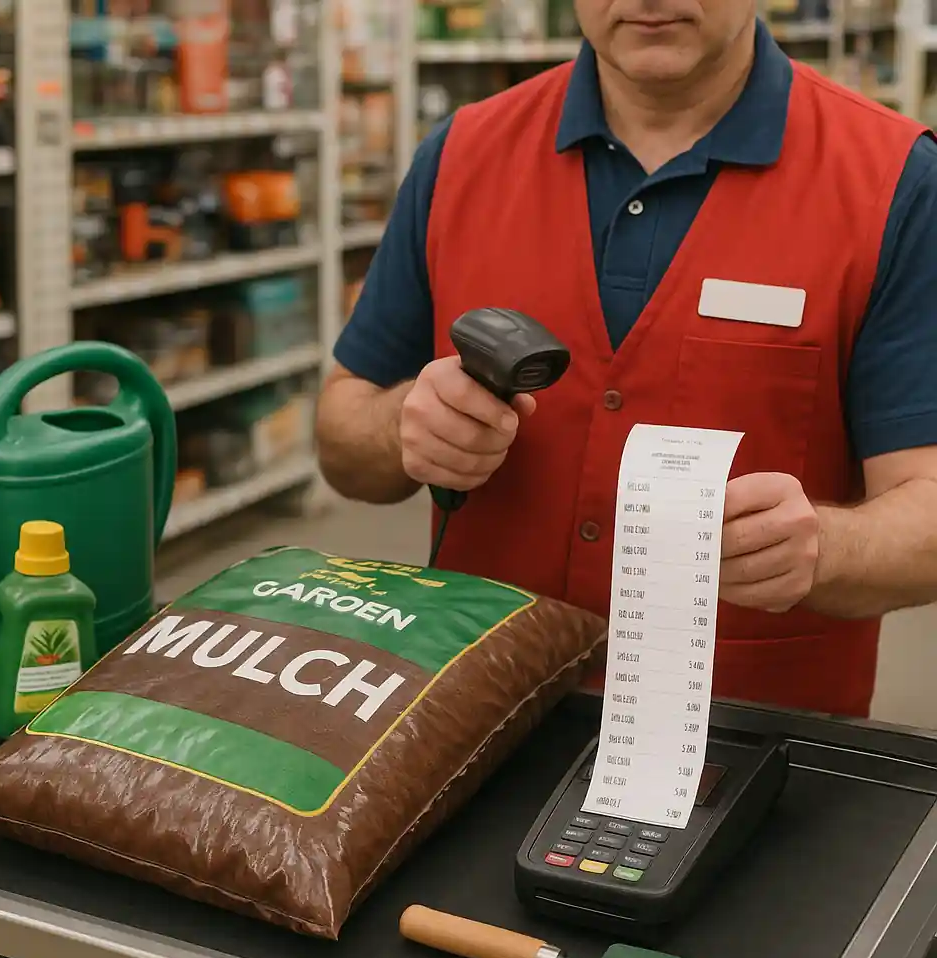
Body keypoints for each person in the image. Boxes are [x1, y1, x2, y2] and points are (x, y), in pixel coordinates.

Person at [314, 0, 937, 718]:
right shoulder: (461, 156)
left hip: (756, 749)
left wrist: (826, 547)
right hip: (473, 730)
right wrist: (403, 428)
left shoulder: (894, 183)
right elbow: (341, 437)